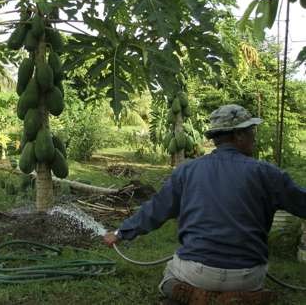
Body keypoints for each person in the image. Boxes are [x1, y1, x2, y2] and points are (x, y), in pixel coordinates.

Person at [103, 104, 306, 304]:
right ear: (239, 136)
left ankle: (195, 295)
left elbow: (156, 210)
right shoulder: (266, 172)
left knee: (168, 278)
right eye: (251, 130)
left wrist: (121, 233)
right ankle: (243, 297)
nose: (255, 136)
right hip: (248, 275)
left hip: (197, 272)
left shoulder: (187, 171)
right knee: (250, 279)